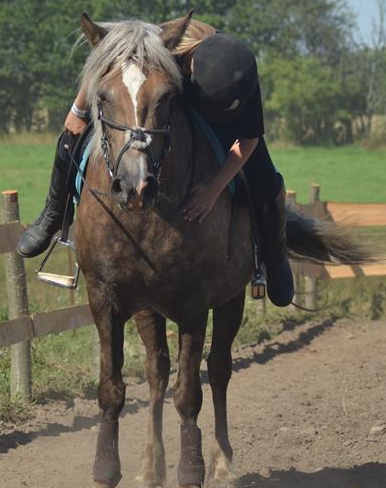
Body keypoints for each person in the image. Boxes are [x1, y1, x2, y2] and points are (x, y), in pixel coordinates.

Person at [15, 19, 295, 307]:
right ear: (191, 66)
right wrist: (78, 109)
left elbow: (248, 140)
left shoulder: (242, 73)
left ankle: (276, 260)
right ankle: (53, 214)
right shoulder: (164, 47)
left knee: (266, 181)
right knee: (69, 138)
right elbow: (108, 63)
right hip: (165, 102)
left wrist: (213, 189)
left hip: (227, 122)